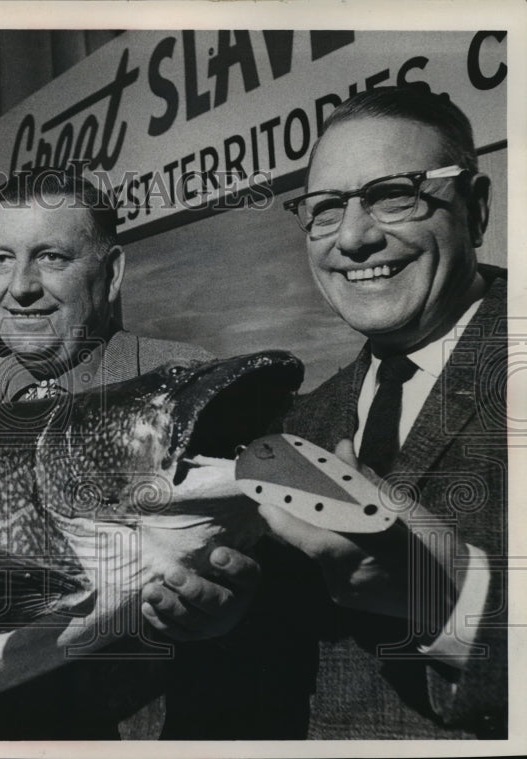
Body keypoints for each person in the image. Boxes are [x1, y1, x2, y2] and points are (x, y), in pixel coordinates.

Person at [162, 86, 507, 739]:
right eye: (325, 209)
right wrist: (227, 618)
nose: (353, 236)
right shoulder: (299, 427)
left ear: (477, 207)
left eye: (394, 194)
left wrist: (448, 592)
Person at [0, 170, 274, 739]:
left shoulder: (182, 387)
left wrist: (227, 612)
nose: (20, 287)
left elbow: (255, 571)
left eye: (50, 257)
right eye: (0, 260)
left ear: (112, 274)